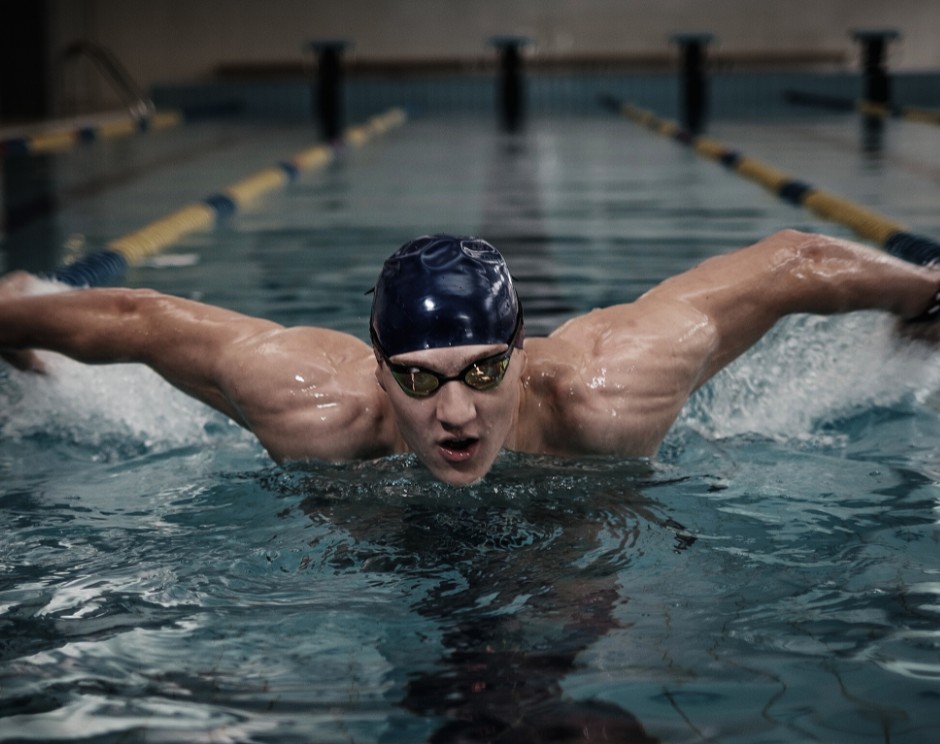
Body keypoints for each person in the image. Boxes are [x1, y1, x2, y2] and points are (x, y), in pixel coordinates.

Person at [2, 230, 939, 485]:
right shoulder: (312, 410)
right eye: (418, 380)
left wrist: (925, 295)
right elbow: (135, 316)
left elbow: (792, 263)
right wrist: (15, 320)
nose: (455, 414)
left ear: (525, 357)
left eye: (483, 371)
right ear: (376, 372)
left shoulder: (607, 395)